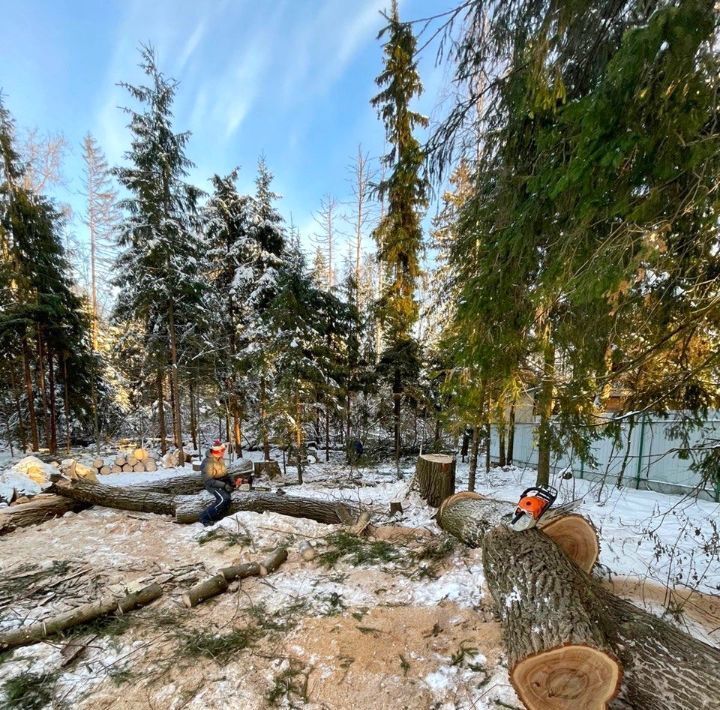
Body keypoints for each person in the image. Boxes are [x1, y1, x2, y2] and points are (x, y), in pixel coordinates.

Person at [199, 440, 233, 526]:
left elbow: (225, 473)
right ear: (218, 451)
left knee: (229, 497)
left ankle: (217, 516)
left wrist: (232, 482)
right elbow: (209, 480)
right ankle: (204, 517)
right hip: (212, 485)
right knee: (224, 499)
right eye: (222, 451)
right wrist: (224, 485)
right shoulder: (208, 462)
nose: (223, 452)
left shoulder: (220, 459)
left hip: (221, 482)